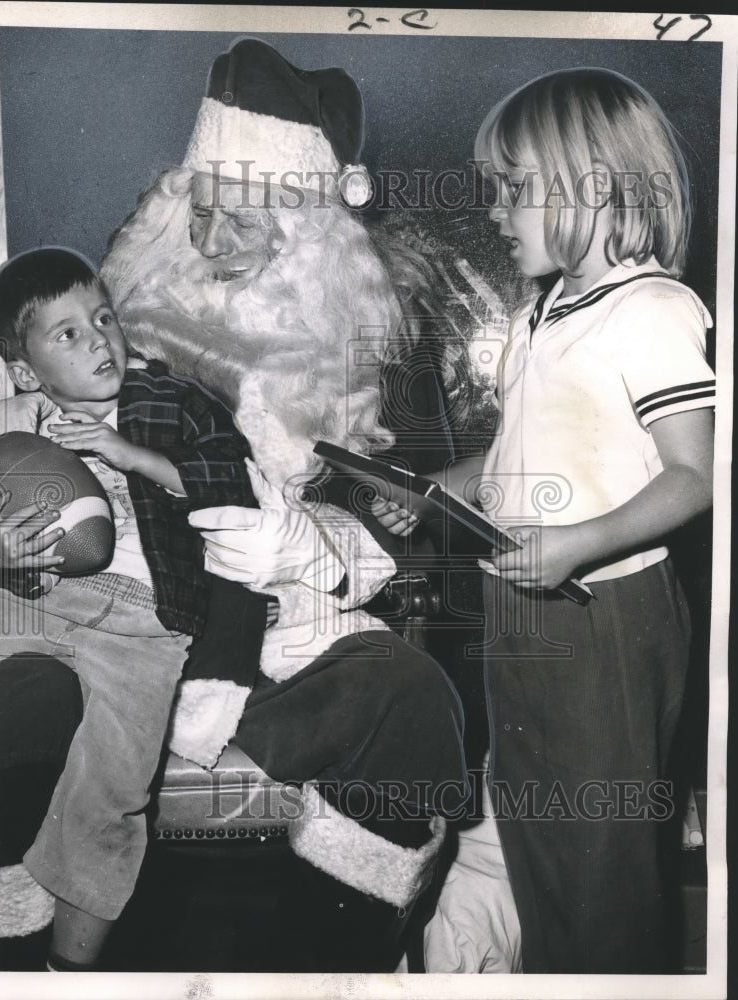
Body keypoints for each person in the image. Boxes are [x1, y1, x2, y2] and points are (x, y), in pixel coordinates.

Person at [99, 38, 474, 968]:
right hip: (144, 618)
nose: (210, 246)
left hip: (302, 631)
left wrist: (308, 548)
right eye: (200, 213)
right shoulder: (120, 341)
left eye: (243, 223)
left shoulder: (370, 359)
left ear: (306, 236)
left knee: (410, 691)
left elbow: (414, 531)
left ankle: (335, 944)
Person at [382, 67, 715, 973]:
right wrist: (430, 490)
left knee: (598, 854)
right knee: (532, 823)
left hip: (602, 618)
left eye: (513, 189)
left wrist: (577, 541)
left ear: (596, 187)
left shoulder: (652, 311)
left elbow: (695, 475)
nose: (496, 211)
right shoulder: (541, 314)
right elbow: (518, 454)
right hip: (522, 609)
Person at [0, 247, 269, 970]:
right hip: (40, 596)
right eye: (66, 332)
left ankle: (71, 971)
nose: (98, 338)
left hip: (144, 618)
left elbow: (235, 497)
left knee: (112, 794)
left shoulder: (176, 401)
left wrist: (128, 453)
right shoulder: (11, 424)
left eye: (102, 318)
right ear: (26, 368)